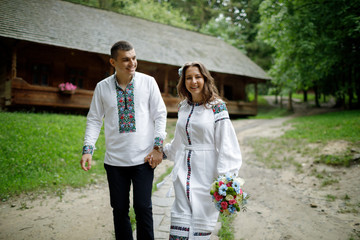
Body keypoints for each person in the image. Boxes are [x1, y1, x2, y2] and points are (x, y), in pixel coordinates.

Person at [80, 40, 167, 240]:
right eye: (126, 60)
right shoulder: (102, 87)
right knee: (119, 210)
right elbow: (94, 119)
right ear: (113, 62)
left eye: (134, 58)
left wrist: (157, 147)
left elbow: (160, 115)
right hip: (115, 162)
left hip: (144, 159)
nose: (132, 63)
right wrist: (88, 149)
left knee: (143, 207)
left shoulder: (148, 82)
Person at [162, 61, 242, 239]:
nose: (193, 81)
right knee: (179, 229)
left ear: (205, 79)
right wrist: (160, 152)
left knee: (200, 230)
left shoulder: (217, 106)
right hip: (183, 174)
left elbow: (226, 144)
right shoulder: (183, 107)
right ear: (183, 82)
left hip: (206, 175)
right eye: (188, 77)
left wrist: (226, 180)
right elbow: (178, 141)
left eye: (198, 77)